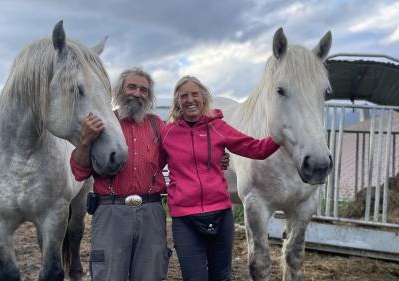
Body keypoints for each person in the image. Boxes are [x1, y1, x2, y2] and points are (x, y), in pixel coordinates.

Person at [70, 68, 229, 281]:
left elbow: (185, 152)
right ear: (120, 91)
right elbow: (79, 172)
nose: (137, 93)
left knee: (151, 274)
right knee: (109, 274)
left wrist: (215, 155)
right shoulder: (103, 124)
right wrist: (85, 140)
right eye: (132, 87)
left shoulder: (159, 126)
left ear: (149, 95)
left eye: (144, 90)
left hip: (151, 212)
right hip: (111, 211)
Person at [160, 75, 281, 281]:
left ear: (204, 97)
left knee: (221, 277)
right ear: (177, 101)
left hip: (220, 215)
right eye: (184, 96)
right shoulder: (167, 133)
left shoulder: (218, 127)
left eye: (195, 94)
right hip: (184, 219)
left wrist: (281, 134)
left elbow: (256, 149)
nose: (190, 99)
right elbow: (151, 166)